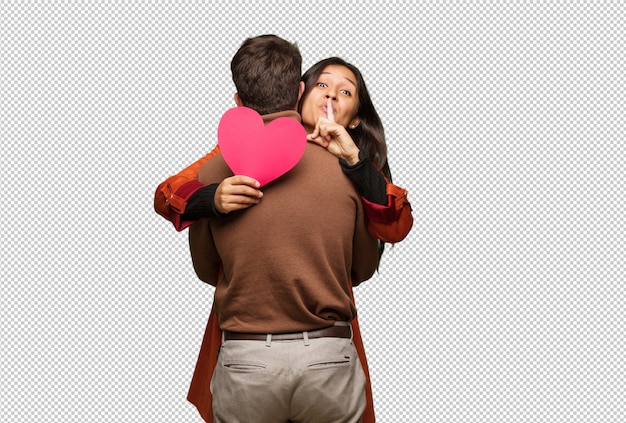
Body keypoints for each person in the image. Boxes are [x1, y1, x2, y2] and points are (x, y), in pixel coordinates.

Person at [155, 39, 412, 422]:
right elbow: (169, 193)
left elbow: (393, 227)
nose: (332, 96)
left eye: (346, 91)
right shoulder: (234, 153)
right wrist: (211, 199)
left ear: (356, 117)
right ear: (301, 92)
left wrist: (356, 163)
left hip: (315, 343)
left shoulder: (357, 168)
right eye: (324, 85)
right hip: (264, 343)